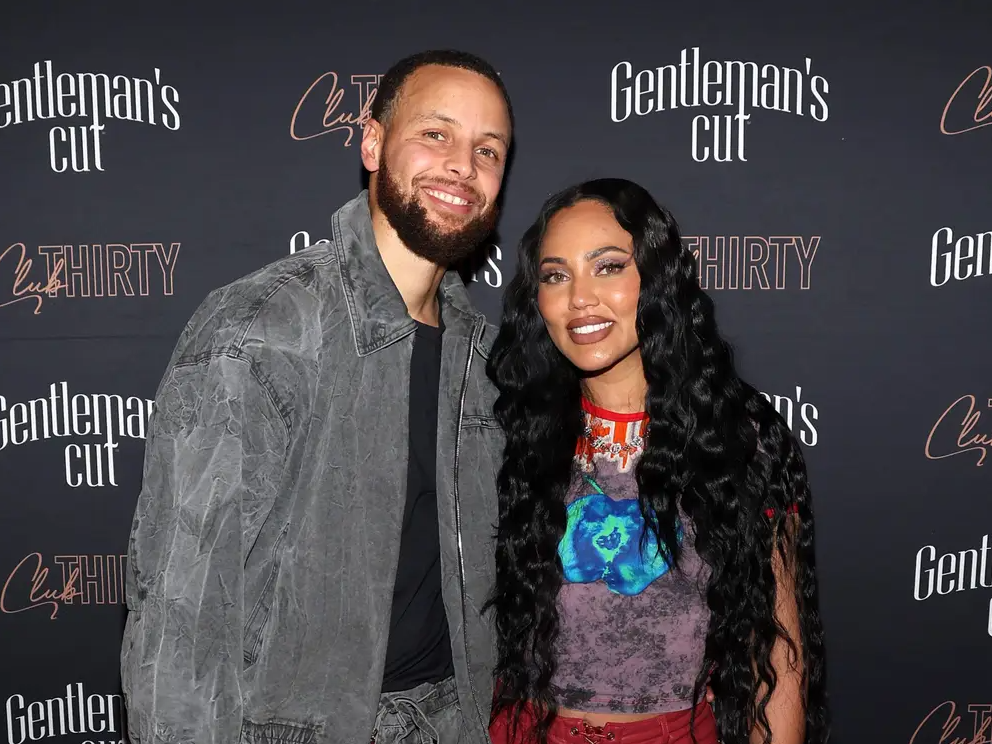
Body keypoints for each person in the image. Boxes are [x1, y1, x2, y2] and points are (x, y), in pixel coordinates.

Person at [120, 49, 511, 744]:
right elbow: (181, 621)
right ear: (371, 142)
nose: (462, 165)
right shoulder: (262, 327)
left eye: (488, 150)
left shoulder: (485, 360)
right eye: (436, 134)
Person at [485, 178, 830, 744]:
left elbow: (777, 655)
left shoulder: (740, 439)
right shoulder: (506, 432)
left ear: (657, 277)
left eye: (608, 267)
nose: (579, 298)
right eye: (555, 275)